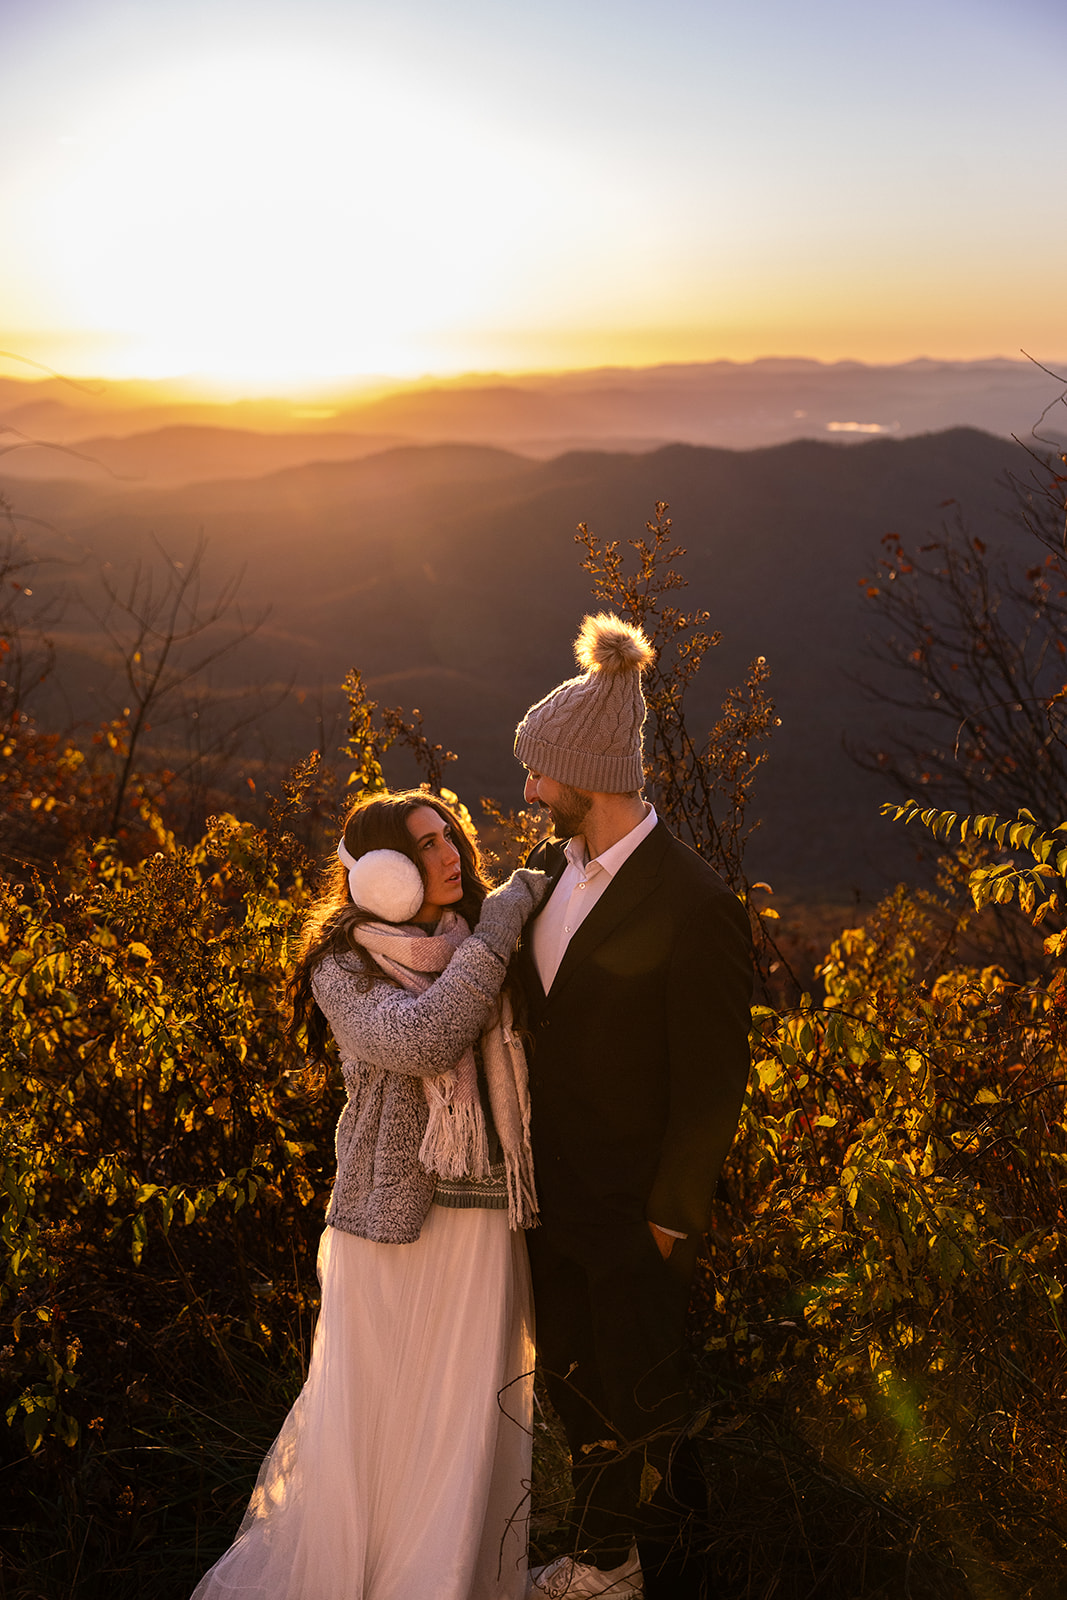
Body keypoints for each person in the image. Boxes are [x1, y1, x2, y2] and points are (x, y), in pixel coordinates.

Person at [190, 789, 546, 1600]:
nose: (451, 852)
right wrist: (497, 935)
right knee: (381, 1428)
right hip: (389, 1228)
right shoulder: (341, 967)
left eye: (450, 834)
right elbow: (424, 1040)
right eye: (425, 845)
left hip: (487, 1219)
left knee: (465, 1425)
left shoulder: (479, 940)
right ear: (381, 872)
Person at [513, 614, 754, 1600]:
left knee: (635, 1392)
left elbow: (712, 1081)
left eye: (540, 773)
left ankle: (616, 1564)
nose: (528, 789)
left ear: (590, 775)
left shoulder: (693, 903)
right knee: (570, 1385)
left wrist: (666, 1219)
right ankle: (624, 1550)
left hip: (629, 1214)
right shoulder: (544, 876)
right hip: (546, 1202)